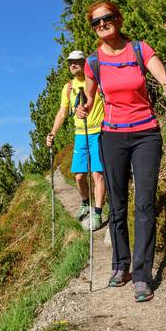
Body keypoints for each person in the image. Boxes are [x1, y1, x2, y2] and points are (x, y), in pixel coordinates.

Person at [83, 1, 166, 302]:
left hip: (146, 133)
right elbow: (89, 97)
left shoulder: (139, 49)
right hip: (112, 136)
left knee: (145, 203)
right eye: (96, 23)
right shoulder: (93, 61)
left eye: (106, 19)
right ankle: (120, 265)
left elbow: (162, 75)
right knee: (119, 203)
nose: (102, 25)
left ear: (119, 19)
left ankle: (141, 275)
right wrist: (84, 107)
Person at [46, 50, 105, 230]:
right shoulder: (68, 87)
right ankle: (86, 203)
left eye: (77, 61)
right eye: (70, 62)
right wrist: (52, 133)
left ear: (84, 62)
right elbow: (63, 112)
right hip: (80, 133)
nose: (73, 64)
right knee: (79, 176)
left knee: (97, 174)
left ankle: (97, 213)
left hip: (99, 131)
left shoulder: (97, 80)